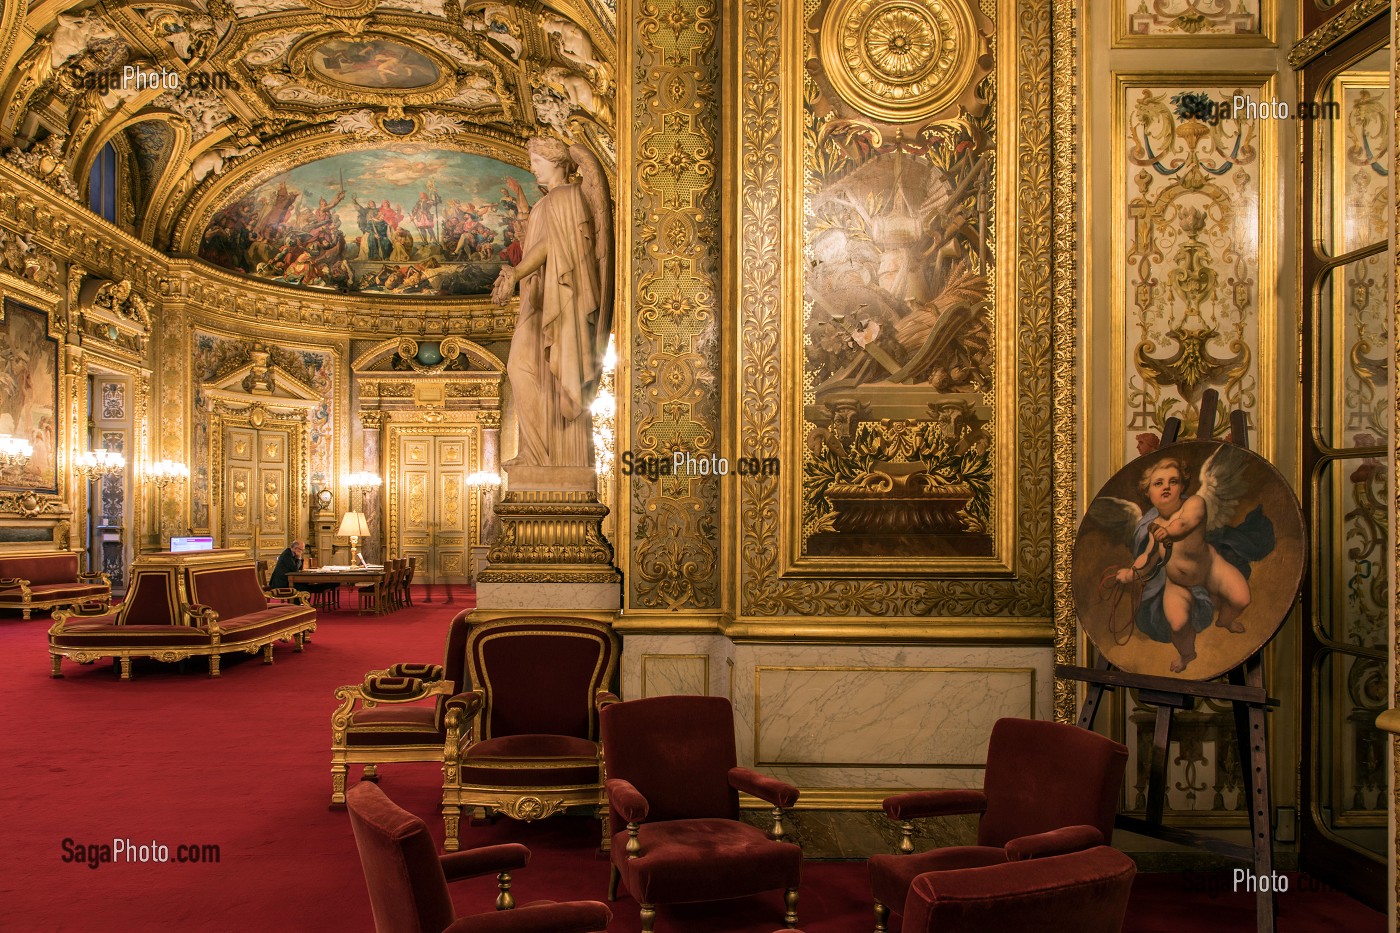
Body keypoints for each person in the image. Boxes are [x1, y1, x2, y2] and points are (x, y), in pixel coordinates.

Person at [491, 137, 612, 467]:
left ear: (557, 163)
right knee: (524, 368)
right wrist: (514, 274)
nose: (532, 168)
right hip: (539, 298)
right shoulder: (548, 202)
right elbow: (533, 242)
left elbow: (548, 246)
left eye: (537, 162)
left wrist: (516, 274)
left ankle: (549, 455)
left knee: (524, 367)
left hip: (558, 301)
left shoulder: (567, 197)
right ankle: (536, 453)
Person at [1113, 457, 1273, 673]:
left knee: (1242, 598)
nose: (1166, 487)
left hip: (1211, 569)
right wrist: (1131, 573)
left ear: (1182, 487)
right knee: (1178, 624)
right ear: (1148, 493)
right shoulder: (1154, 526)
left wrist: (1169, 532)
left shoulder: (1194, 504)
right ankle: (1187, 654)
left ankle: (1225, 620)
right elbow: (1148, 557)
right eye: (1158, 483)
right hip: (1177, 583)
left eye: (1173, 481)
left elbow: (1186, 523)